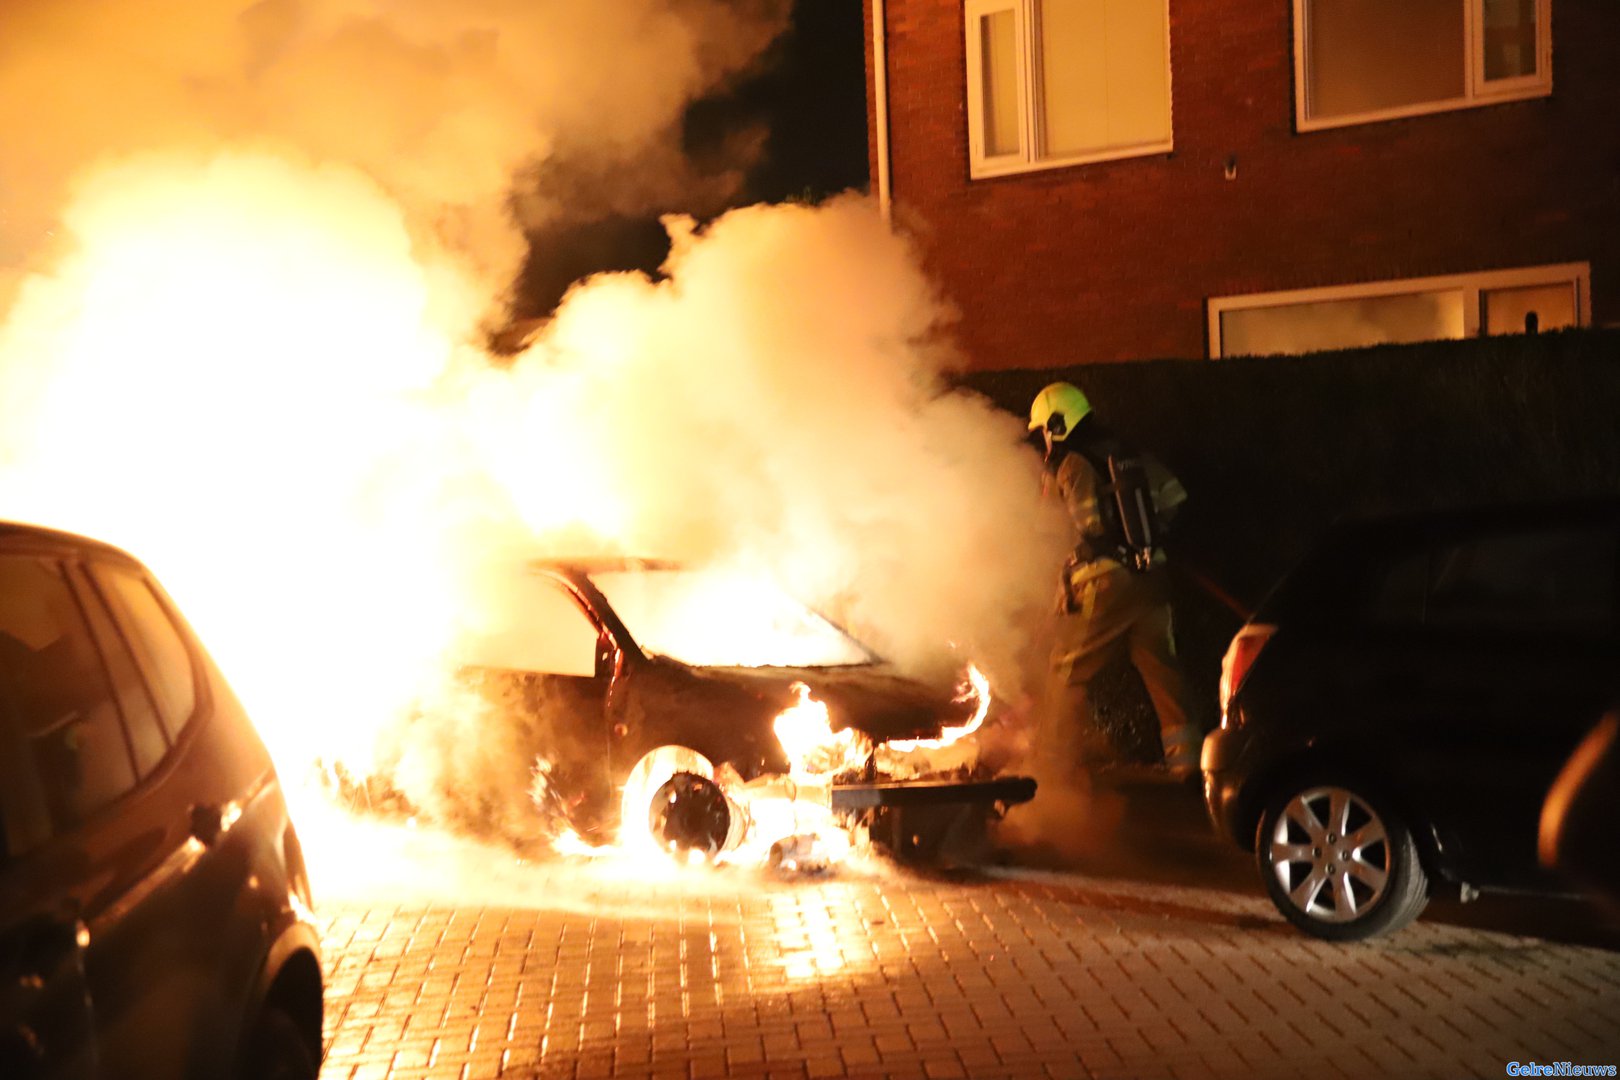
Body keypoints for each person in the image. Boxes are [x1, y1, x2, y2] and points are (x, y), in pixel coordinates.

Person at [1028, 381, 1203, 780]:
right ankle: (1188, 764)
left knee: (1064, 670)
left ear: (1057, 424)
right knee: (1161, 669)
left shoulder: (1070, 464)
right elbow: (1176, 497)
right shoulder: (1127, 452)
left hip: (1104, 585)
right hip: (1152, 577)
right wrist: (1147, 536)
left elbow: (1052, 530)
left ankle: (1048, 771)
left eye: (1043, 430)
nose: (1043, 440)